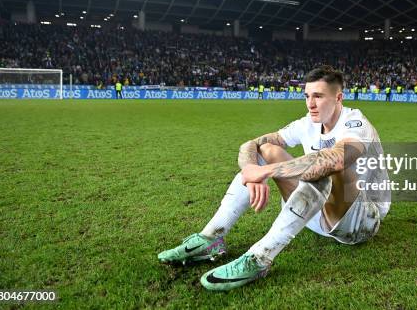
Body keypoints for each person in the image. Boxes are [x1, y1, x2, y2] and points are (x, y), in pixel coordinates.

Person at [157, 66, 390, 291]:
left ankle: (259, 258)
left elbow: (338, 159)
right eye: (307, 96)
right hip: (316, 215)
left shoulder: (355, 122)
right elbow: (251, 144)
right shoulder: (306, 123)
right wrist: (251, 171)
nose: (310, 104)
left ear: (338, 98)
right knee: (268, 149)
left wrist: (267, 172)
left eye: (318, 96)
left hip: (359, 222)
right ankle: (211, 238)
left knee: (326, 167)